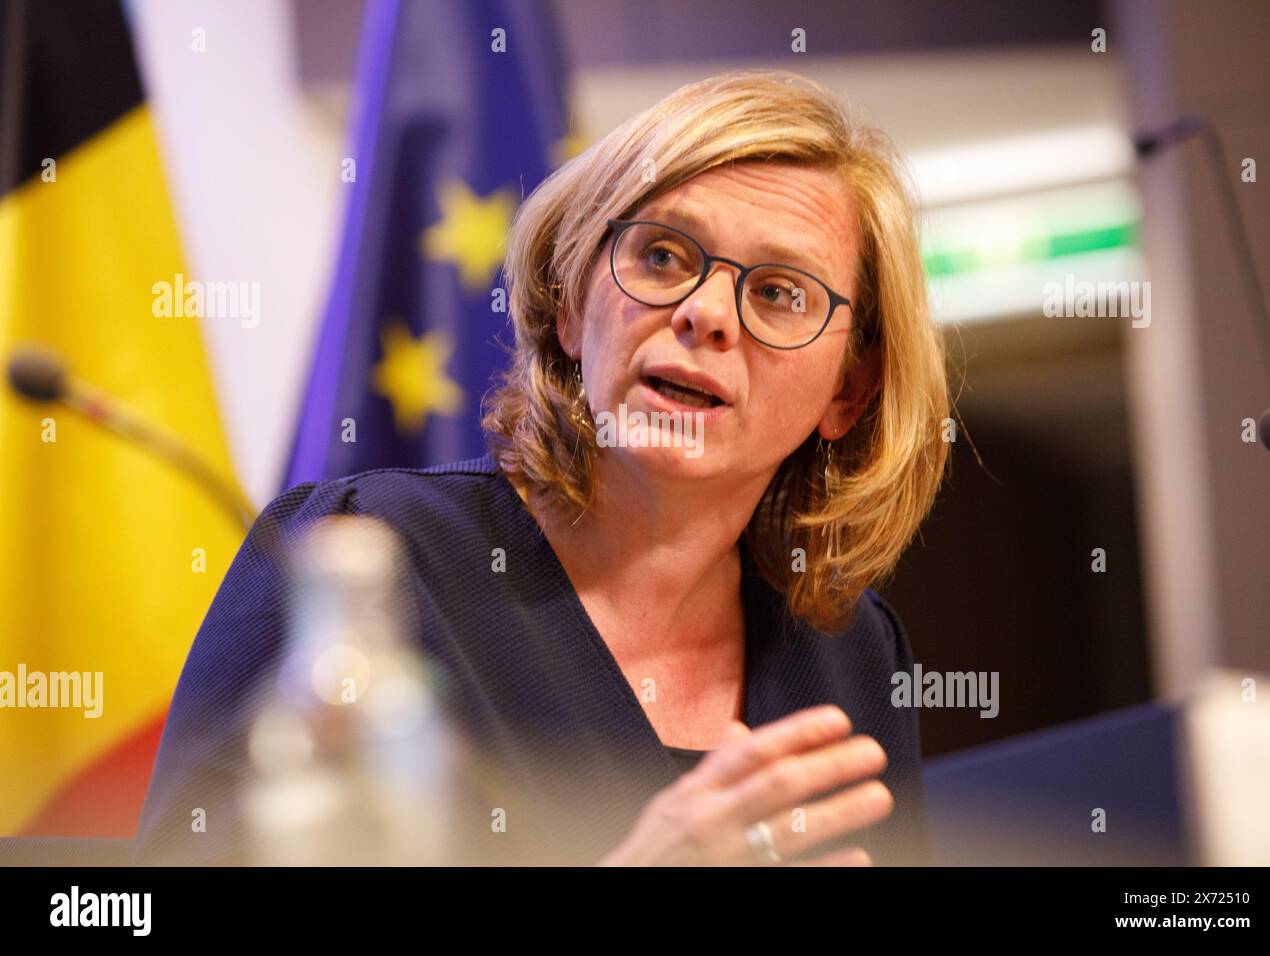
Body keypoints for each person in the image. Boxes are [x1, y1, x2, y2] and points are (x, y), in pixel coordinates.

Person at [133, 70, 950, 867]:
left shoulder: (852, 653)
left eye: (780, 293)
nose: (704, 312)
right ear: (568, 303)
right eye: (663, 255)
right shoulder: (363, 555)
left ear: (848, 390)